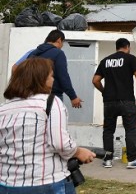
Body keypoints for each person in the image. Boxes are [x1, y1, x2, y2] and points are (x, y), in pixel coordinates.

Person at [0, 58, 96, 192]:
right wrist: (79, 152)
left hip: (7, 184)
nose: (53, 81)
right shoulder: (50, 102)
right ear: (40, 79)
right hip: (46, 182)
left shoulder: (3, 108)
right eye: (51, 76)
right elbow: (60, 143)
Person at [92, 38, 136, 169]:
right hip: (127, 101)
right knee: (130, 130)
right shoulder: (130, 59)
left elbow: (95, 80)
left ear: (116, 47)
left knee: (108, 130)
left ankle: (107, 160)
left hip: (109, 102)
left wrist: (104, 91)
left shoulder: (105, 61)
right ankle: (132, 160)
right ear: (127, 47)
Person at [27, 29, 82, 108]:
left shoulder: (33, 53)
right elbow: (63, 76)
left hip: (32, 95)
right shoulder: (58, 53)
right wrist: (73, 96)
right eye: (62, 42)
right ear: (59, 40)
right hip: (52, 96)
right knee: (54, 119)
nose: (62, 45)